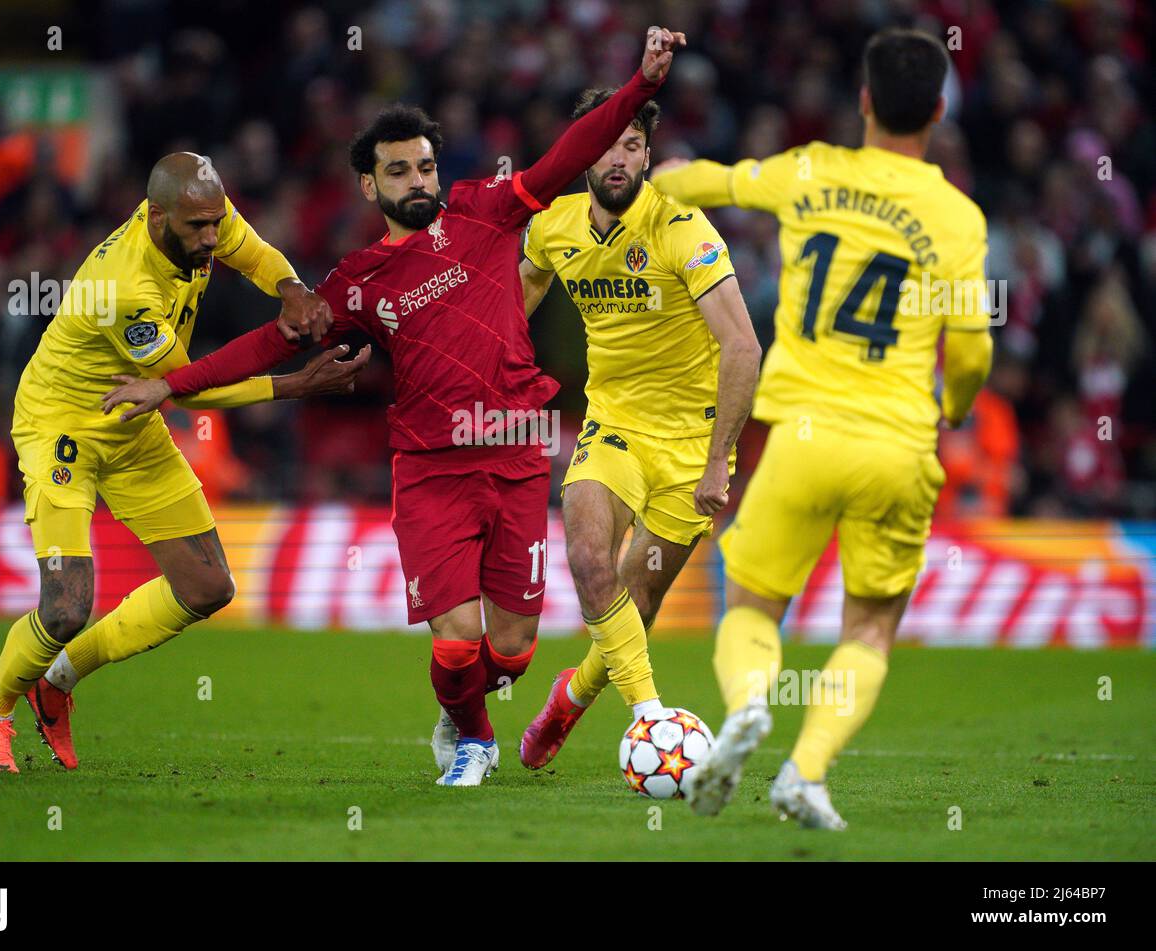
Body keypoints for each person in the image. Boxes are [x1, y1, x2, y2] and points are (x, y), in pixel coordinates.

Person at [102, 27, 688, 787]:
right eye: (399, 169)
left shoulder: (487, 211)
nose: (418, 179)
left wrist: (639, 85)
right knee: (454, 641)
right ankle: (474, 740)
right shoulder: (357, 281)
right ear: (369, 187)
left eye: (426, 165)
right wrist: (168, 385)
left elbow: (571, 153)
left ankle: (464, 709)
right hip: (430, 471)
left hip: (514, 454)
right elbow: (271, 343)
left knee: (508, 652)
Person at [652, 27, 993, 828]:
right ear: (938, 110)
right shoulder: (957, 216)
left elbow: (715, 180)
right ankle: (805, 773)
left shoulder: (809, 171)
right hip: (897, 444)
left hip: (802, 437)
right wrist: (957, 407)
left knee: (753, 605)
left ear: (864, 101)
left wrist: (666, 177)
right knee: (870, 624)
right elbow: (972, 350)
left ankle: (744, 708)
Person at [0, 152, 369, 773]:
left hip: (134, 421)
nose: (212, 238)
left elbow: (255, 252)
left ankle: (59, 682)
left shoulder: (199, 212)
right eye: (197, 229)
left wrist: (292, 289)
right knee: (68, 605)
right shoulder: (122, 290)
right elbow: (186, 384)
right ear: (157, 218)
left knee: (207, 587)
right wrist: (290, 383)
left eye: (216, 222)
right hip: (63, 424)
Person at [515, 88, 759, 769]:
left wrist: (718, 462)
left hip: (692, 446)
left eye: (633, 146)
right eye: (607, 145)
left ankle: (571, 696)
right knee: (591, 560)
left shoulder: (683, 229)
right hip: (614, 426)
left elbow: (743, 346)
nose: (620, 159)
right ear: (582, 151)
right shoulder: (552, 229)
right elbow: (508, 315)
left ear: (648, 155)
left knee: (635, 595)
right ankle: (652, 720)